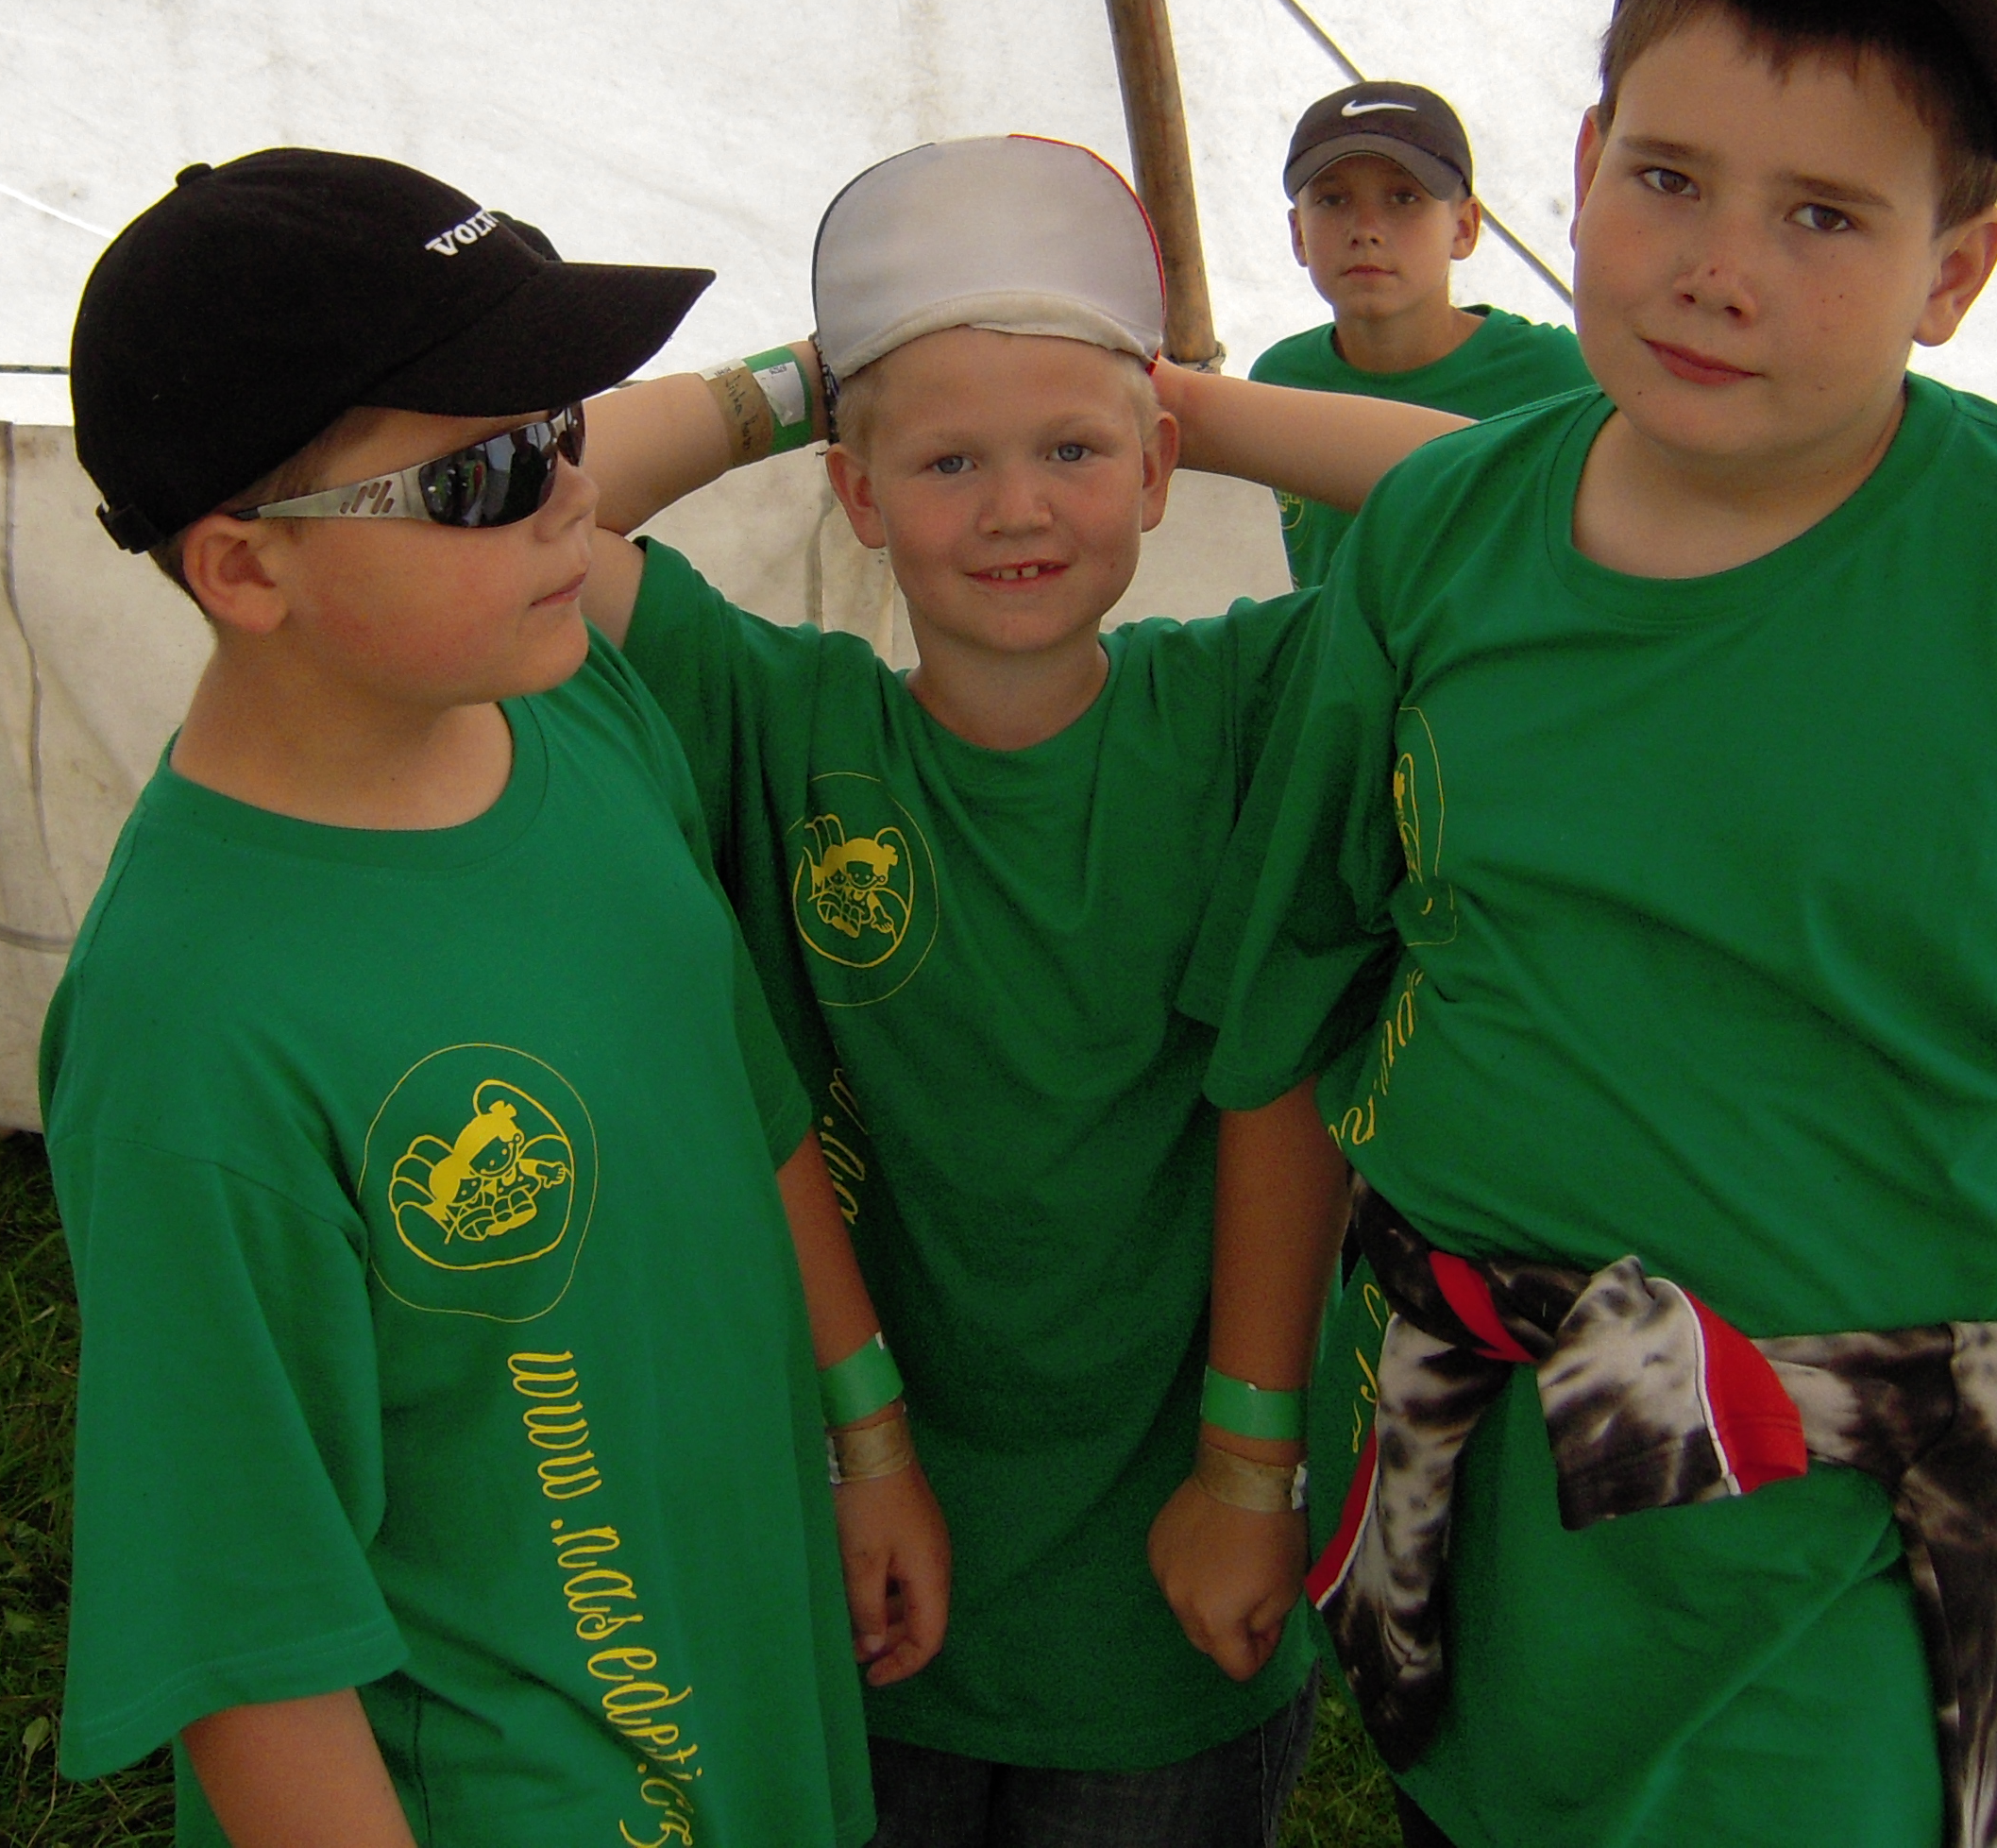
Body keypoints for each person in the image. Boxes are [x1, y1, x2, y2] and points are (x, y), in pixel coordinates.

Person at [1189, 0, 1997, 1848]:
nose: (1714, 268)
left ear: (1956, 270)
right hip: (1474, 1516)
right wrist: (1249, 1455)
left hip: (1838, 1580)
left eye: (1823, 214)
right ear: (1580, 165)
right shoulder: (1438, 537)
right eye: (1666, 178)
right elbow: (1301, 991)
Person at [38, 149, 945, 1848]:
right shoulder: (192, 1033)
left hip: (752, 1662)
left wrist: (867, 1428)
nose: (570, 501)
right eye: (485, 475)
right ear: (244, 570)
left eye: (567, 429)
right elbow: (247, 1645)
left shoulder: (567, 705)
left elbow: (738, 1092)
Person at [573, 135, 1463, 1847]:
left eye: (1073, 450)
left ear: (1158, 469)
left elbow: (1525, 489)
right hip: (869, 1554)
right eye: (945, 459)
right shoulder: (784, 723)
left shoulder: (1247, 701)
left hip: (1169, 1581)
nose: (1013, 509)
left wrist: (1170, 389)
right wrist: (802, 382)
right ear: (854, 497)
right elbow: (517, 493)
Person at [1248, 82, 1588, 588]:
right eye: (1333, 199)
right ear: (1299, 235)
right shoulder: (1278, 381)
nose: (1366, 229)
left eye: (1404, 197)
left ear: (1464, 228)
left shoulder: (1561, 377)